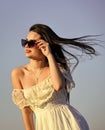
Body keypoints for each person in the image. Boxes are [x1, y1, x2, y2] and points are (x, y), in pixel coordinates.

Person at [11, 23, 97, 130]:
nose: (27, 46)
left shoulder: (58, 68)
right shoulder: (18, 73)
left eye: (32, 43)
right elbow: (26, 111)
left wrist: (49, 55)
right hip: (43, 125)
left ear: (45, 44)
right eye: (25, 42)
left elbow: (58, 86)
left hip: (68, 122)